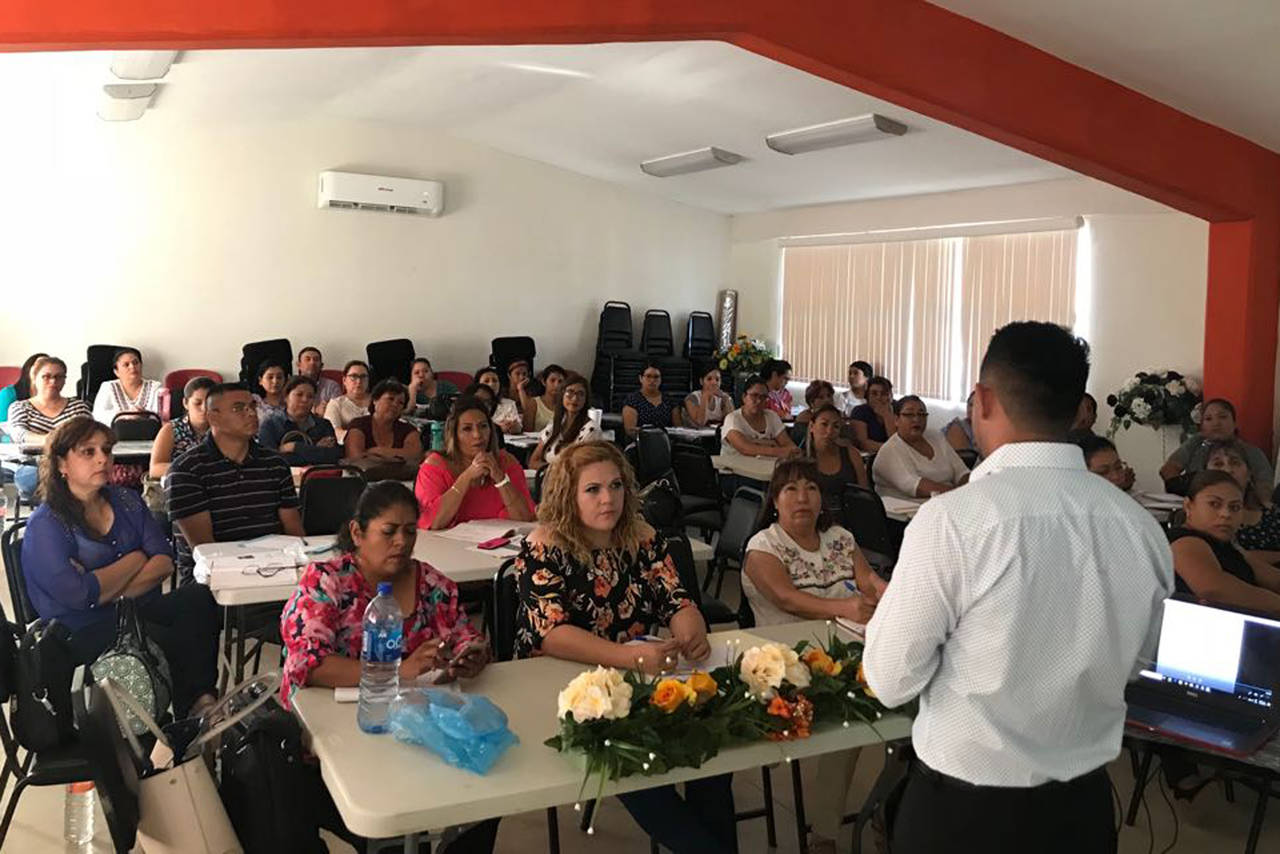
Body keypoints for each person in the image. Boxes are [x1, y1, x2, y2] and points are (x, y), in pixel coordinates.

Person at [863, 321, 1174, 854]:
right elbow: (1140, 661)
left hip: (964, 815)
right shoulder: (1138, 526)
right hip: (1082, 810)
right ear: (1077, 409)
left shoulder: (954, 521)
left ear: (982, 400)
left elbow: (891, 681)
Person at [513, 441, 735, 854]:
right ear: (567, 495)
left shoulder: (641, 536)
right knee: (636, 760)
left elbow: (676, 598)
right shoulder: (544, 546)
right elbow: (552, 633)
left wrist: (690, 627)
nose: (608, 499)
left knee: (712, 746)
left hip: (635, 674)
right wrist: (629, 657)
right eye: (593, 489)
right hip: (563, 686)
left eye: (616, 486)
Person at [278, 480, 499, 853]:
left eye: (410, 531)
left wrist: (469, 656)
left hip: (414, 733)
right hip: (339, 740)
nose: (402, 542)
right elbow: (309, 665)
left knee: (488, 795)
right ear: (357, 533)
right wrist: (400, 671)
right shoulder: (327, 582)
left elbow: (463, 634)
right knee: (396, 829)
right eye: (389, 531)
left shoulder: (431, 584)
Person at [20, 417, 219, 719]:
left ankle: (200, 705)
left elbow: (163, 560)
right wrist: (137, 558)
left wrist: (103, 586)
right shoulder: (46, 524)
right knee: (168, 639)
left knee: (198, 598)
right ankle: (192, 716)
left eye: (107, 450)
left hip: (133, 611)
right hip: (79, 630)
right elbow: (79, 597)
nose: (103, 459)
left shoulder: (126, 500)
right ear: (61, 463)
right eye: (88, 452)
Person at [741, 458, 885, 852]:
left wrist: (889, 593)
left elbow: (869, 581)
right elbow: (786, 598)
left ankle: (888, 808)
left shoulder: (840, 538)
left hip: (848, 652)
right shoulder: (763, 546)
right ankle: (825, 832)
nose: (802, 497)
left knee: (908, 716)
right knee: (852, 719)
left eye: (811, 488)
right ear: (774, 500)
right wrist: (845, 607)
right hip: (787, 664)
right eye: (790, 489)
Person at [167, 383, 303, 581]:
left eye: (252, 406)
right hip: (214, 576)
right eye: (239, 408)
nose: (251, 413)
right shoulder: (187, 469)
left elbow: (294, 534)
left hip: (276, 568)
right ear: (213, 417)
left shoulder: (275, 463)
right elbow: (205, 550)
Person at [1168, 470, 1280, 615]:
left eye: (1235, 507)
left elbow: (1273, 579)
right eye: (1214, 504)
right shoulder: (1183, 541)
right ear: (1188, 506)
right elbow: (1214, 590)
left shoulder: (1228, 546)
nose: (1226, 514)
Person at [415, 397, 535, 529]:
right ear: (454, 434)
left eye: (483, 426)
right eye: (467, 429)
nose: (477, 435)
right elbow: (432, 522)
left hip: (501, 540)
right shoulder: (434, 465)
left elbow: (526, 517)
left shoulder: (506, 461)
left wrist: (500, 478)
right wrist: (466, 477)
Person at [8, 356, 92, 497]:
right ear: (34, 378)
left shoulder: (78, 406)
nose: (53, 381)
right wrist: (50, 439)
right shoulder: (20, 407)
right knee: (38, 479)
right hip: (33, 465)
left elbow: (88, 434)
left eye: (58, 377)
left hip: (73, 463)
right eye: (46, 377)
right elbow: (19, 434)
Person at [1159, 398, 1273, 492]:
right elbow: (1168, 470)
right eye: (1208, 419)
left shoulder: (1251, 451)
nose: (1216, 423)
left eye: (1223, 417)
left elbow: (1265, 486)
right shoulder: (1196, 443)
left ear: (1235, 423)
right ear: (1202, 426)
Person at [872, 396, 969, 501]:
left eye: (922, 414)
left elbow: (962, 472)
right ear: (896, 420)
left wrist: (968, 492)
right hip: (907, 508)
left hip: (948, 501)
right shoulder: (890, 451)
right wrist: (959, 495)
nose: (916, 419)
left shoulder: (936, 436)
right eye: (909, 414)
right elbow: (916, 487)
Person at [1205, 440, 1280, 559]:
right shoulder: (1197, 516)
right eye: (1218, 464)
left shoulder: (1273, 515)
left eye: (1235, 463)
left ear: (1249, 474)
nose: (1227, 470)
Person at [259, 376, 342, 466]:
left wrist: (295, 447)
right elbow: (272, 460)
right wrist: (315, 449)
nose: (305, 400)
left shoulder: (324, 425)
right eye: (299, 395)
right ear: (286, 397)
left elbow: (332, 457)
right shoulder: (271, 424)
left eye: (310, 396)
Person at [528, 373, 601, 470]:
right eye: (570, 392)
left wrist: (551, 469)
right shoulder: (554, 425)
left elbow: (582, 468)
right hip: (549, 476)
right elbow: (533, 461)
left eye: (580, 394)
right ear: (562, 395)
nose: (574, 398)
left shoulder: (591, 430)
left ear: (586, 399)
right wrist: (552, 470)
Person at [149, 375, 216, 478]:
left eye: (209, 403)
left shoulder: (224, 429)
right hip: (181, 483)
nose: (204, 408)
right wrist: (193, 468)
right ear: (185, 403)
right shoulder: (171, 429)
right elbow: (155, 469)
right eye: (197, 403)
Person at [343, 379, 423, 465]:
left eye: (400, 403)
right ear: (375, 400)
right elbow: (356, 459)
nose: (395, 404)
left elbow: (414, 456)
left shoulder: (409, 430)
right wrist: (397, 460)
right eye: (390, 399)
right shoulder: (358, 425)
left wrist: (375, 451)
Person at [805, 404, 869, 509]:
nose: (829, 431)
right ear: (812, 426)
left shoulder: (852, 454)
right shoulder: (801, 458)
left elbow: (864, 492)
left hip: (850, 513)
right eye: (824, 424)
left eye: (836, 426)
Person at [720, 375, 795, 459]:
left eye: (763, 397)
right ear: (744, 397)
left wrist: (756, 443)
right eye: (754, 395)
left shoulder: (772, 416)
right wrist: (773, 444)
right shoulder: (733, 419)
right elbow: (745, 449)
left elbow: (790, 446)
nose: (759, 400)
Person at [92, 347, 168, 425]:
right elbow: (98, 415)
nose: (132, 367)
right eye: (126, 365)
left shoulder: (155, 387)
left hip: (147, 430)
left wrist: (145, 415)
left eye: (135, 363)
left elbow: (162, 417)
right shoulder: (108, 387)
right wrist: (126, 415)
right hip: (116, 431)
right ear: (116, 371)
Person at [622, 360, 682, 436]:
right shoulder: (632, 400)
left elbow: (678, 429)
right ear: (641, 378)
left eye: (656, 377)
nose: (652, 380)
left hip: (667, 440)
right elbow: (630, 431)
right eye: (648, 376)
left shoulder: (670, 401)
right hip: (641, 440)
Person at [324, 360, 372, 443]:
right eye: (354, 376)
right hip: (348, 445)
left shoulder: (378, 401)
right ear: (344, 380)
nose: (359, 381)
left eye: (363, 377)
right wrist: (358, 439)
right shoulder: (336, 404)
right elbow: (333, 431)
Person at [849, 377, 896, 452]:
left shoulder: (899, 409)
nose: (879, 397)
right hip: (871, 455)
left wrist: (886, 416)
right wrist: (892, 448)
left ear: (890, 396)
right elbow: (864, 443)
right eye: (874, 393)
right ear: (867, 395)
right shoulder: (860, 411)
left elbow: (896, 440)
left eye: (883, 393)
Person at [0, 351, 47, 425]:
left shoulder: (50, 396)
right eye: (39, 367)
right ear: (28, 369)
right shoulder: (8, 394)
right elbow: (3, 427)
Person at [683, 364, 734, 428]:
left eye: (717, 379)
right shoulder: (692, 398)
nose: (714, 383)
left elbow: (732, 423)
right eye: (709, 379)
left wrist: (726, 400)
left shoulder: (724, 398)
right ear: (701, 381)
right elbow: (700, 422)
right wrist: (705, 396)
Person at [296, 346, 343, 416]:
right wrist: (315, 411)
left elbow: (337, 412)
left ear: (321, 366)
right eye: (307, 359)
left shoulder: (332, 386)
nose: (312, 362)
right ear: (298, 365)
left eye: (316, 360)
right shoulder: (290, 385)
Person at [475, 367, 523, 434]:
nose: (491, 384)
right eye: (486, 381)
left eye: (495, 381)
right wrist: (498, 428)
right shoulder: (472, 405)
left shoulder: (509, 404)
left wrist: (516, 427)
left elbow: (518, 426)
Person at [523, 363, 567, 433]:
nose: (556, 385)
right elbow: (527, 432)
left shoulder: (567, 404)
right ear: (544, 382)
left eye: (560, 381)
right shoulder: (533, 403)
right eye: (552, 380)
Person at [252, 358, 289, 424]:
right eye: (270, 377)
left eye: (279, 377)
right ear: (260, 380)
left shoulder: (292, 403)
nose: (275, 381)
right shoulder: (254, 402)